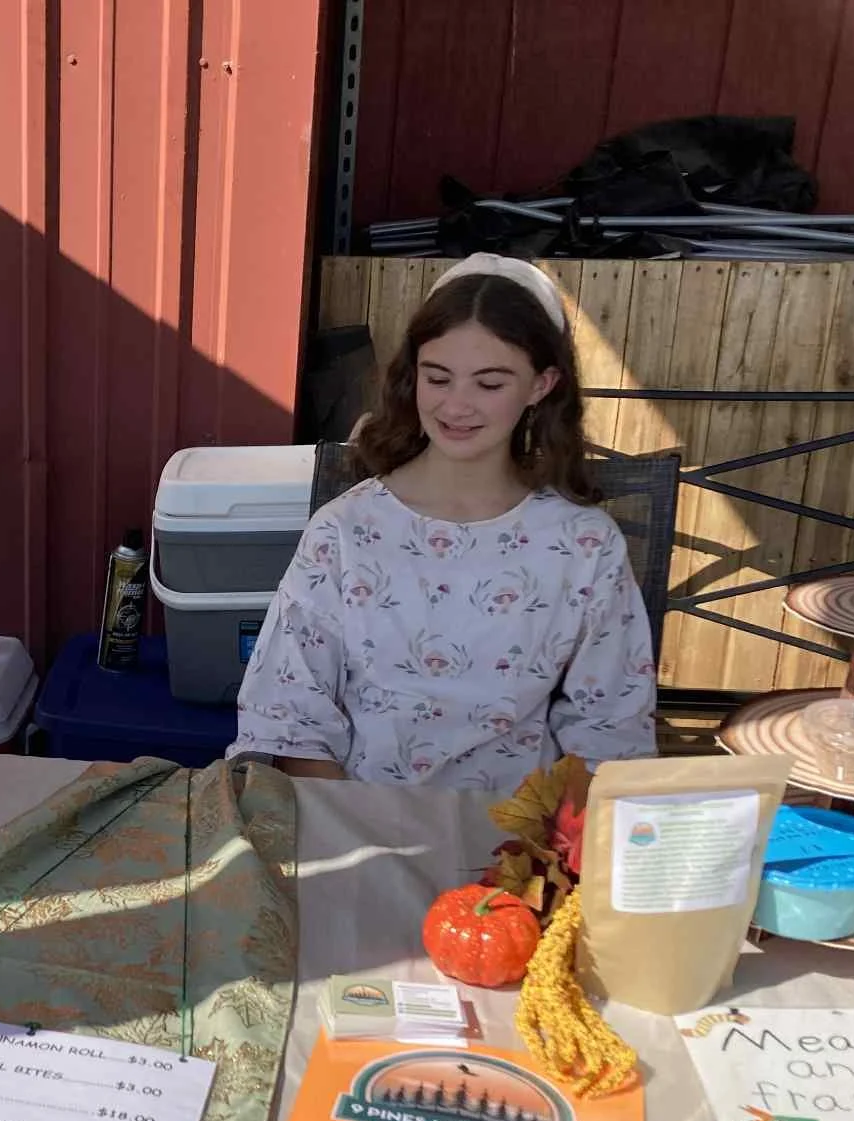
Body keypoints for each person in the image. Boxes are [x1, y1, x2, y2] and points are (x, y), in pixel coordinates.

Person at [231, 253, 655, 791]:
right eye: (439, 377)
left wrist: (552, 851)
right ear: (414, 376)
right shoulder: (344, 531)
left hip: (514, 840)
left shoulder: (585, 545)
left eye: (490, 383)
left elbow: (609, 731)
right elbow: (289, 715)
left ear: (541, 386)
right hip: (358, 826)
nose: (457, 405)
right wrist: (357, 836)